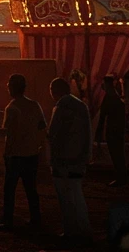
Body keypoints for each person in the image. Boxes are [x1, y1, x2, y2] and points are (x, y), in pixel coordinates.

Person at [0, 73, 46, 232]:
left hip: (16, 155)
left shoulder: (11, 108)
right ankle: (35, 218)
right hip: (31, 153)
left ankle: (8, 219)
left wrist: (6, 153)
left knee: (9, 189)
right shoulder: (34, 105)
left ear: (12, 88)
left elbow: (9, 134)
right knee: (31, 189)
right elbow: (41, 126)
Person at [47, 77, 91, 243]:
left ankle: (70, 231)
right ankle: (84, 230)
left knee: (65, 198)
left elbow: (54, 134)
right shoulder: (81, 106)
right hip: (79, 158)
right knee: (77, 195)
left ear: (54, 91)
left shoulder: (61, 106)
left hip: (63, 159)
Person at [94, 74, 126, 186]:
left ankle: (120, 178)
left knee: (116, 154)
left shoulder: (109, 97)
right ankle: (121, 176)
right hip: (119, 129)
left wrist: (98, 132)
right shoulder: (116, 97)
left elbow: (103, 117)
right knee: (119, 154)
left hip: (112, 130)